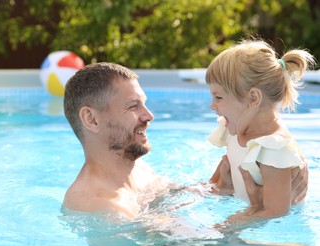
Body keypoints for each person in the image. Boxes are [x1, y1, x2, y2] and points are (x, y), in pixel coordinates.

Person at [62, 62, 308, 220]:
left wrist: (220, 188)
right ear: (91, 119)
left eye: (144, 104)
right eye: (133, 106)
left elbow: (179, 202)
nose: (149, 115)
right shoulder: (101, 209)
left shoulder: (138, 172)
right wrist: (257, 212)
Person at [205, 38, 315, 226]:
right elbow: (212, 186)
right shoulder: (235, 130)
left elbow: (275, 212)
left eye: (219, 97)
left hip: (278, 239)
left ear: (253, 98)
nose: (212, 105)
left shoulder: (273, 148)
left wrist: (226, 226)